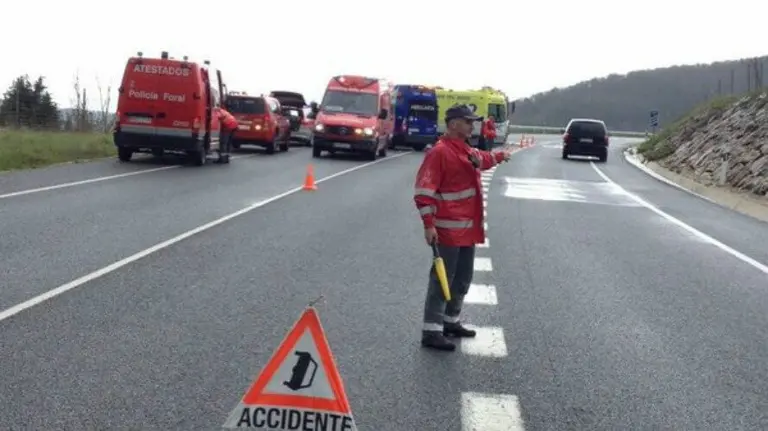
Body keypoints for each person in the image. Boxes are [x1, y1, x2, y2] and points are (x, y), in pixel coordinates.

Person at [413, 104, 514, 351]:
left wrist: (501, 155)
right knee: (442, 280)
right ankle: (432, 330)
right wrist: (429, 225)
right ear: (454, 124)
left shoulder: (465, 150)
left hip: (467, 229)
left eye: (473, 122)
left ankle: (450, 321)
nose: (472, 126)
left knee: (463, 278)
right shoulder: (439, 153)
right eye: (468, 122)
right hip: (448, 229)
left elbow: (483, 159)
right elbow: (424, 194)